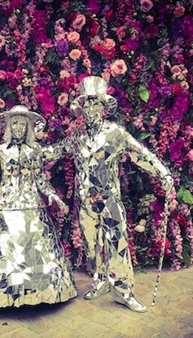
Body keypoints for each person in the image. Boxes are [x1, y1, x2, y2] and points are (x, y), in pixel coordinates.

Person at [45, 76, 173, 312]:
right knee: (91, 244)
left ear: (104, 107)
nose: (91, 109)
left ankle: (124, 292)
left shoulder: (115, 133)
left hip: (109, 200)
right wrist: (31, 153)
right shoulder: (77, 136)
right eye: (87, 104)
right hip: (84, 202)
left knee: (117, 245)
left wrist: (162, 173)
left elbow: (140, 153)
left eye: (96, 104)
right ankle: (100, 279)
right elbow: (56, 151)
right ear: (81, 109)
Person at [0, 105, 77, 309]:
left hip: (31, 205)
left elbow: (40, 180)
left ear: (28, 127)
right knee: (1, 252)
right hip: (5, 206)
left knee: (35, 250)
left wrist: (55, 197)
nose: (19, 128)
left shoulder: (35, 150)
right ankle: (1, 293)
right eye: (15, 123)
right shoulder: (0, 151)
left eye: (22, 124)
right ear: (9, 127)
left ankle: (39, 291)